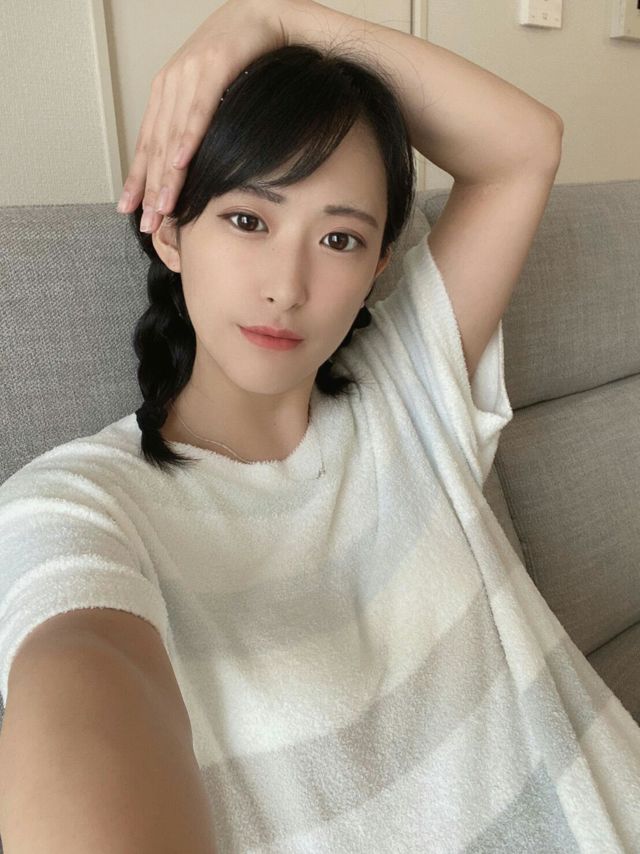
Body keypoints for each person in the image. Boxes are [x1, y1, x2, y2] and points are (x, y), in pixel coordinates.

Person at [1, 1, 639, 852]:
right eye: (248, 220)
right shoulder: (77, 504)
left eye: (339, 239)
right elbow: (83, 676)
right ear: (170, 228)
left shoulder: (409, 387)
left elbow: (524, 145)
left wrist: (267, 17)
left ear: (378, 266)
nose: (288, 286)